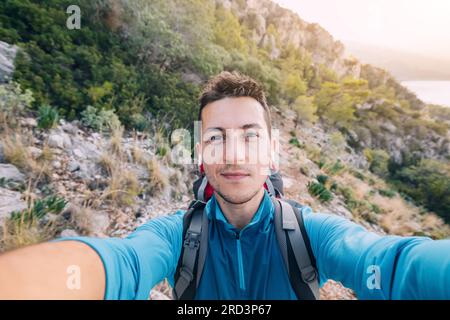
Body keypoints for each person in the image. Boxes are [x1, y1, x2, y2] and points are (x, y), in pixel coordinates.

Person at [0, 71, 449, 300]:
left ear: (271, 153)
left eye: (250, 137)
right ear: (200, 154)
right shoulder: (176, 236)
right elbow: (123, 265)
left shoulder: (311, 235)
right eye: (216, 138)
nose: (233, 155)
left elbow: (390, 264)